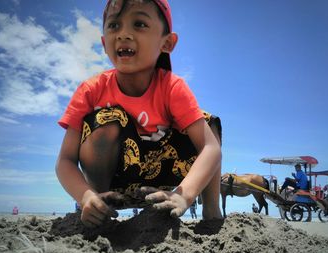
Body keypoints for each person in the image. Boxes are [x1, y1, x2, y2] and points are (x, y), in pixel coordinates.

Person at [56, 0, 222, 227]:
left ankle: (212, 213)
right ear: (104, 43)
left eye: (139, 24)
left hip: (160, 188)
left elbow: (211, 148)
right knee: (106, 119)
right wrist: (85, 196)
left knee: (207, 122)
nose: (124, 34)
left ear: (167, 42)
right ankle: (99, 207)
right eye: (114, 26)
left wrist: (185, 195)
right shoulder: (91, 90)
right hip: (112, 188)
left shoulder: (172, 87)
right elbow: (65, 160)